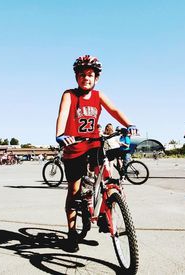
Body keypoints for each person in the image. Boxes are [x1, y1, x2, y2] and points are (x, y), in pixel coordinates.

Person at [55, 55, 137, 252]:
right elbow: (63, 114)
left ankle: (104, 208)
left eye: (90, 75)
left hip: (94, 144)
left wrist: (129, 124)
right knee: (74, 191)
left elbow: (114, 109)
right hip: (74, 147)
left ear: (96, 78)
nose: (86, 78)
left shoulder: (99, 95)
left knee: (106, 173)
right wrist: (60, 134)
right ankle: (72, 232)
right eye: (82, 75)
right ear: (76, 77)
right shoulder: (69, 94)